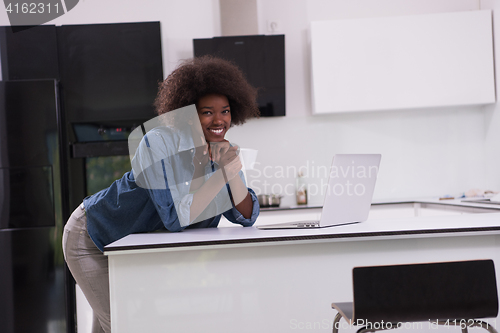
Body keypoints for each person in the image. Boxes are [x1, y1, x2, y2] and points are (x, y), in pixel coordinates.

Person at [62, 56, 261, 333]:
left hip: (128, 248)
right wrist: (221, 176)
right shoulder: (157, 143)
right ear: (189, 112)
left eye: (225, 111)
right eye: (207, 112)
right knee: (123, 325)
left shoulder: (222, 150)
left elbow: (246, 215)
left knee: (114, 325)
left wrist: (230, 170)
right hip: (92, 237)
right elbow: (174, 216)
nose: (219, 120)